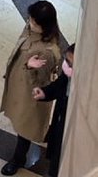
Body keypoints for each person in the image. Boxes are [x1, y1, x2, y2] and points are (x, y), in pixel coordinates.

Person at [0, 0, 62, 175]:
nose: (30, 22)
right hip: (18, 84)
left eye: (34, 21)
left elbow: (42, 83)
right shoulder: (31, 28)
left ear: (44, 25)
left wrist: (29, 67)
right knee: (21, 121)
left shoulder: (48, 52)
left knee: (25, 128)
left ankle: (18, 159)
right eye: (30, 19)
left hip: (30, 95)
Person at [32, 42, 74, 177]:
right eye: (66, 60)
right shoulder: (68, 76)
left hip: (73, 135)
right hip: (60, 123)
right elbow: (59, 85)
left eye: (71, 64)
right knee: (56, 157)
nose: (66, 66)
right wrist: (45, 93)